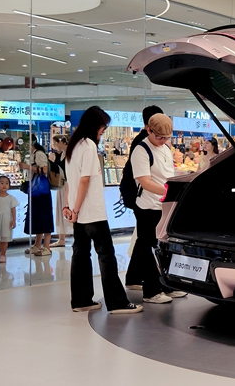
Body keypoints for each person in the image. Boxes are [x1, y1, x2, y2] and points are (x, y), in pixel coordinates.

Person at [64, 105, 142, 314]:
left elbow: (69, 181)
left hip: (78, 212)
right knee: (106, 255)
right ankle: (117, 302)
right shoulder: (89, 146)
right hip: (91, 211)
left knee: (80, 254)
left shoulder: (73, 146)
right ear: (94, 125)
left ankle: (81, 300)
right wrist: (77, 209)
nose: (103, 131)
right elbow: (84, 180)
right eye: (103, 127)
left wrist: (70, 207)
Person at [130, 113, 186, 304]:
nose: (162, 140)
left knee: (165, 248)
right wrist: (168, 192)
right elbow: (145, 181)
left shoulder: (166, 148)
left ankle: (167, 285)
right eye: (159, 137)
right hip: (148, 207)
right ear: (148, 130)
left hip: (165, 206)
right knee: (148, 249)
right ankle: (151, 291)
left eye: (166, 137)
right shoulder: (141, 150)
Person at [123, 104, 163, 289]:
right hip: (142, 196)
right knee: (146, 239)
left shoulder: (154, 142)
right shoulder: (143, 143)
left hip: (144, 195)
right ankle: (149, 284)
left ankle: (134, 277)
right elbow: (143, 178)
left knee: (143, 238)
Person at [20, 134, 54, 256]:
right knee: (37, 217)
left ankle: (46, 246)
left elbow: (45, 170)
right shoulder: (33, 154)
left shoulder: (39, 154)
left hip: (41, 191)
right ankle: (37, 244)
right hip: (35, 191)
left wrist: (27, 167)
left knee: (44, 217)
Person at [49, 135, 72, 248]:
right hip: (61, 184)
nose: (54, 146)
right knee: (61, 209)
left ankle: (73, 236)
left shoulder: (70, 154)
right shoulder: (60, 155)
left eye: (55, 143)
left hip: (69, 184)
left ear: (60, 142)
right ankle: (61, 238)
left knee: (70, 208)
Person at [0, 176, 18, 263]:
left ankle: (3, 255)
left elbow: (13, 209)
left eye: (6, 183)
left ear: (9, 186)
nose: (4, 185)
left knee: (5, 238)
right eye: (2, 183)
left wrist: (14, 220)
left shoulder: (11, 198)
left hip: (6, 220)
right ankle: (2, 248)